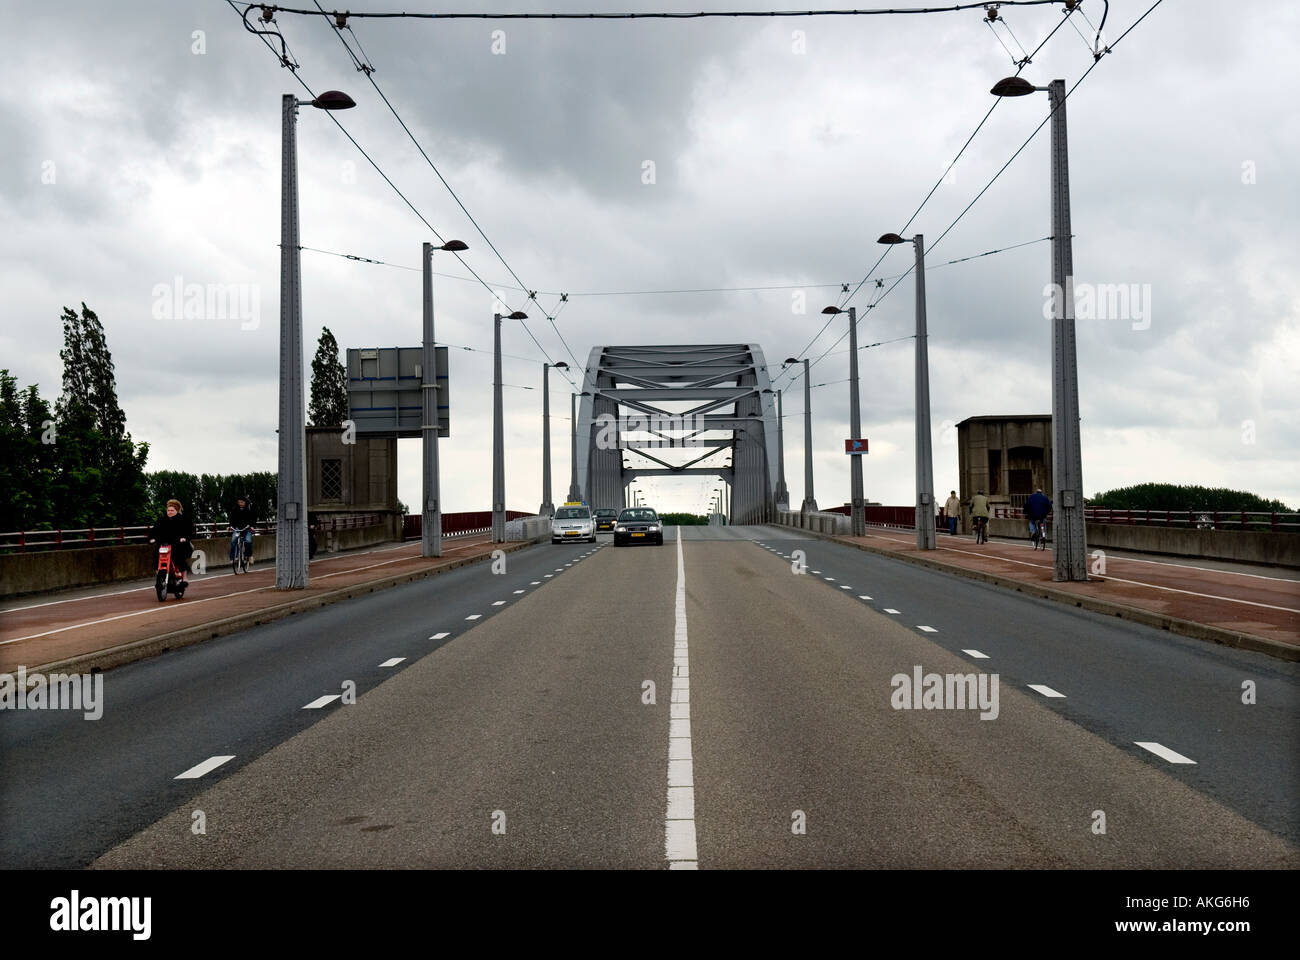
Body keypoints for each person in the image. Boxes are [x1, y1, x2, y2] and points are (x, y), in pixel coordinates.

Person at [149, 499, 195, 576]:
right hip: (165, 544)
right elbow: (155, 531)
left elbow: (190, 532)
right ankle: (159, 576)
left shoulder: (184, 520)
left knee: (179, 556)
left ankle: (184, 576)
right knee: (156, 556)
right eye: (168, 510)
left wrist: (185, 538)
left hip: (179, 543)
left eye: (172, 510)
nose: (169, 512)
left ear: (177, 510)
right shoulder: (162, 520)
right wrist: (152, 538)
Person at [228, 495, 256, 562]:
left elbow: (253, 518)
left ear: (245, 502)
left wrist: (252, 526)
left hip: (247, 528)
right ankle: (233, 557)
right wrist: (230, 526)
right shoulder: (235, 509)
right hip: (237, 528)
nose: (240, 504)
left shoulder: (249, 509)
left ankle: (249, 556)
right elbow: (232, 518)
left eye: (241, 502)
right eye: (239, 502)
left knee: (248, 541)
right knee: (233, 541)